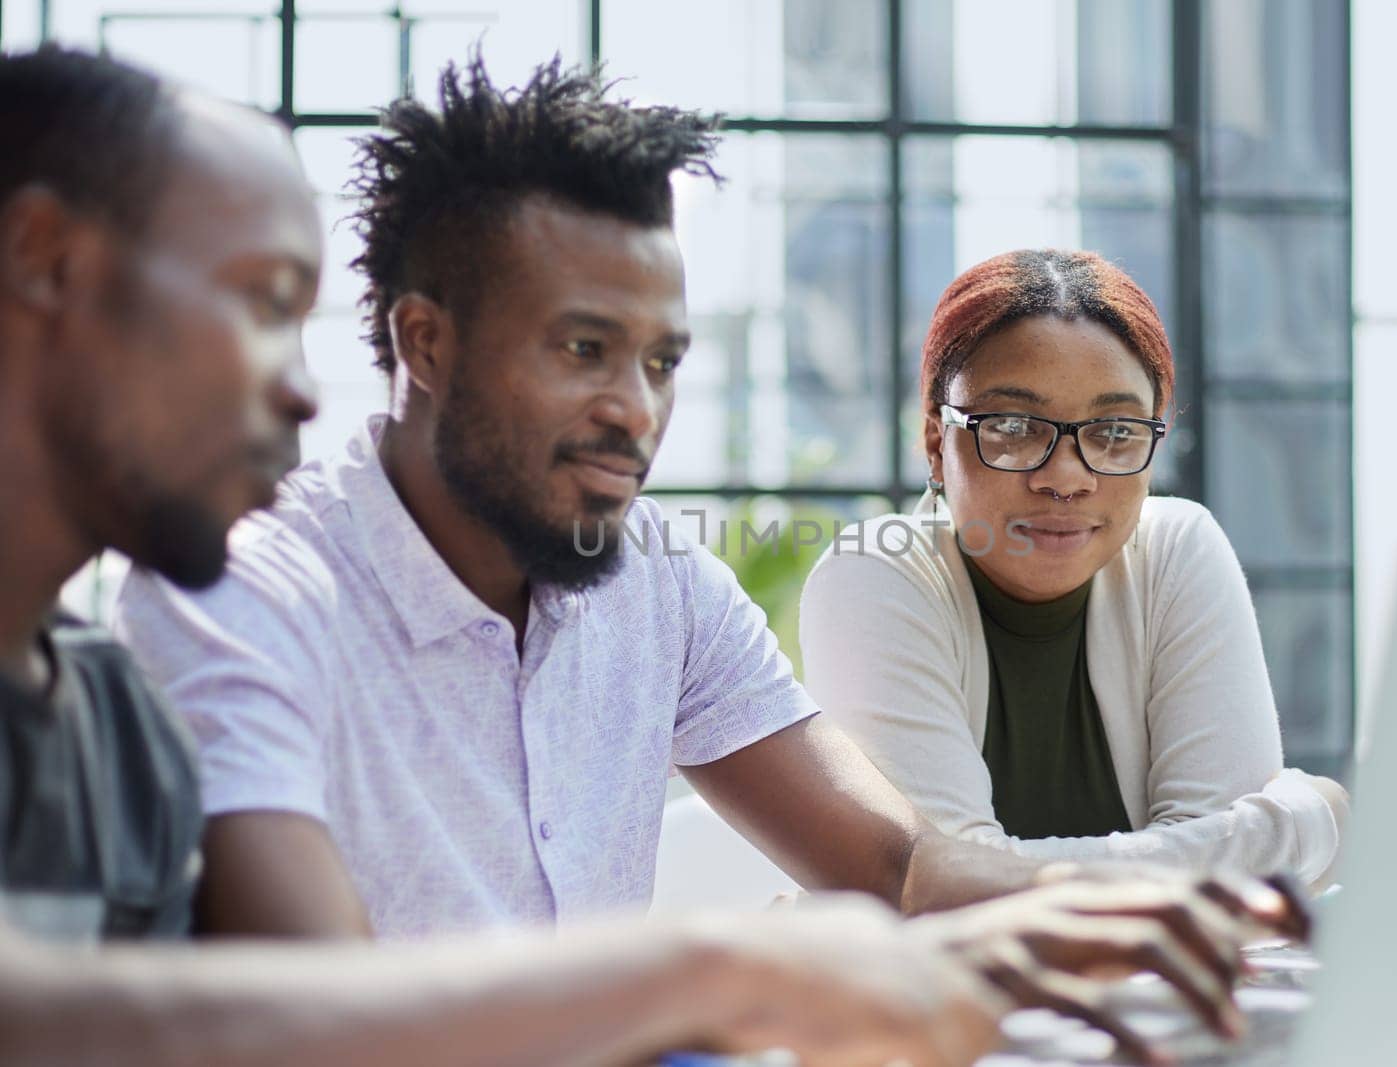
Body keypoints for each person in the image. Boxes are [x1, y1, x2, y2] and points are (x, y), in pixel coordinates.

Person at [112, 55, 1306, 1056]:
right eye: (585, 347)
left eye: (662, 359)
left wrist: (1138, 919)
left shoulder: (663, 585)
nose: (636, 406)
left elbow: (900, 868)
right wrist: (726, 968)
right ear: (424, 341)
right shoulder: (243, 588)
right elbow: (318, 1015)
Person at [800, 250, 1349, 883]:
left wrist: (990, 875)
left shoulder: (1176, 549)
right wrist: (1298, 828)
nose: (1067, 477)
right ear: (935, 440)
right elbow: (939, 889)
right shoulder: (879, 573)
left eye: (1115, 432)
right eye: (1012, 426)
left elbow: (1239, 902)